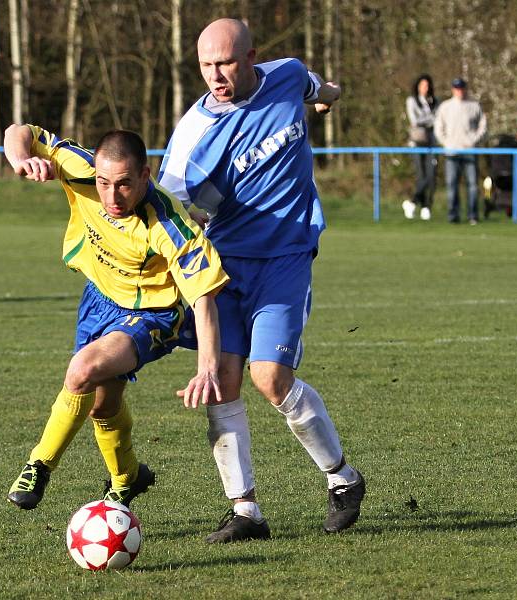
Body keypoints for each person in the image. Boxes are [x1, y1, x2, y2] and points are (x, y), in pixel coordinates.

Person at [159, 18, 365, 543]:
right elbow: (174, 213)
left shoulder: (287, 76)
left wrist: (330, 97)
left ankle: (342, 479)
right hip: (224, 264)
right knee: (222, 383)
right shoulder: (192, 137)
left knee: (269, 379)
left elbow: (317, 86)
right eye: (206, 65)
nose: (216, 75)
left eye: (226, 62)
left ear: (251, 58)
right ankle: (246, 512)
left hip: (286, 255)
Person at [3, 125, 229, 511]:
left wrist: (207, 368)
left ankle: (38, 464)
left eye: (124, 184)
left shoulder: (170, 225)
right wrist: (22, 158)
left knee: (81, 370)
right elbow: (19, 130)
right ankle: (128, 478)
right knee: (101, 406)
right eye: (104, 183)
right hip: (99, 299)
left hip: (152, 314)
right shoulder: (80, 167)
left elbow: (204, 300)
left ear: (145, 174)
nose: (111, 196)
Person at [433, 78, 487, 224]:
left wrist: (473, 140)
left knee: (472, 185)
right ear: (453, 89)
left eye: (462, 88)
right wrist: (445, 143)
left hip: (470, 151)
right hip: (451, 152)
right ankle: (453, 215)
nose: (459, 91)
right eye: (457, 88)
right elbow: (438, 127)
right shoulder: (445, 107)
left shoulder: (474, 106)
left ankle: (472, 215)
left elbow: (483, 126)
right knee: (452, 184)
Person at [403, 74, 438, 221]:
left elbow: (439, 118)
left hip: (431, 143)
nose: (426, 88)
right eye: (423, 85)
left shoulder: (434, 101)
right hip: (417, 142)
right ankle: (424, 206)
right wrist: (431, 119)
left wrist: (432, 120)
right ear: (418, 87)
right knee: (421, 176)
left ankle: (413, 203)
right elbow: (415, 121)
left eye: (428, 85)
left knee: (431, 176)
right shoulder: (412, 101)